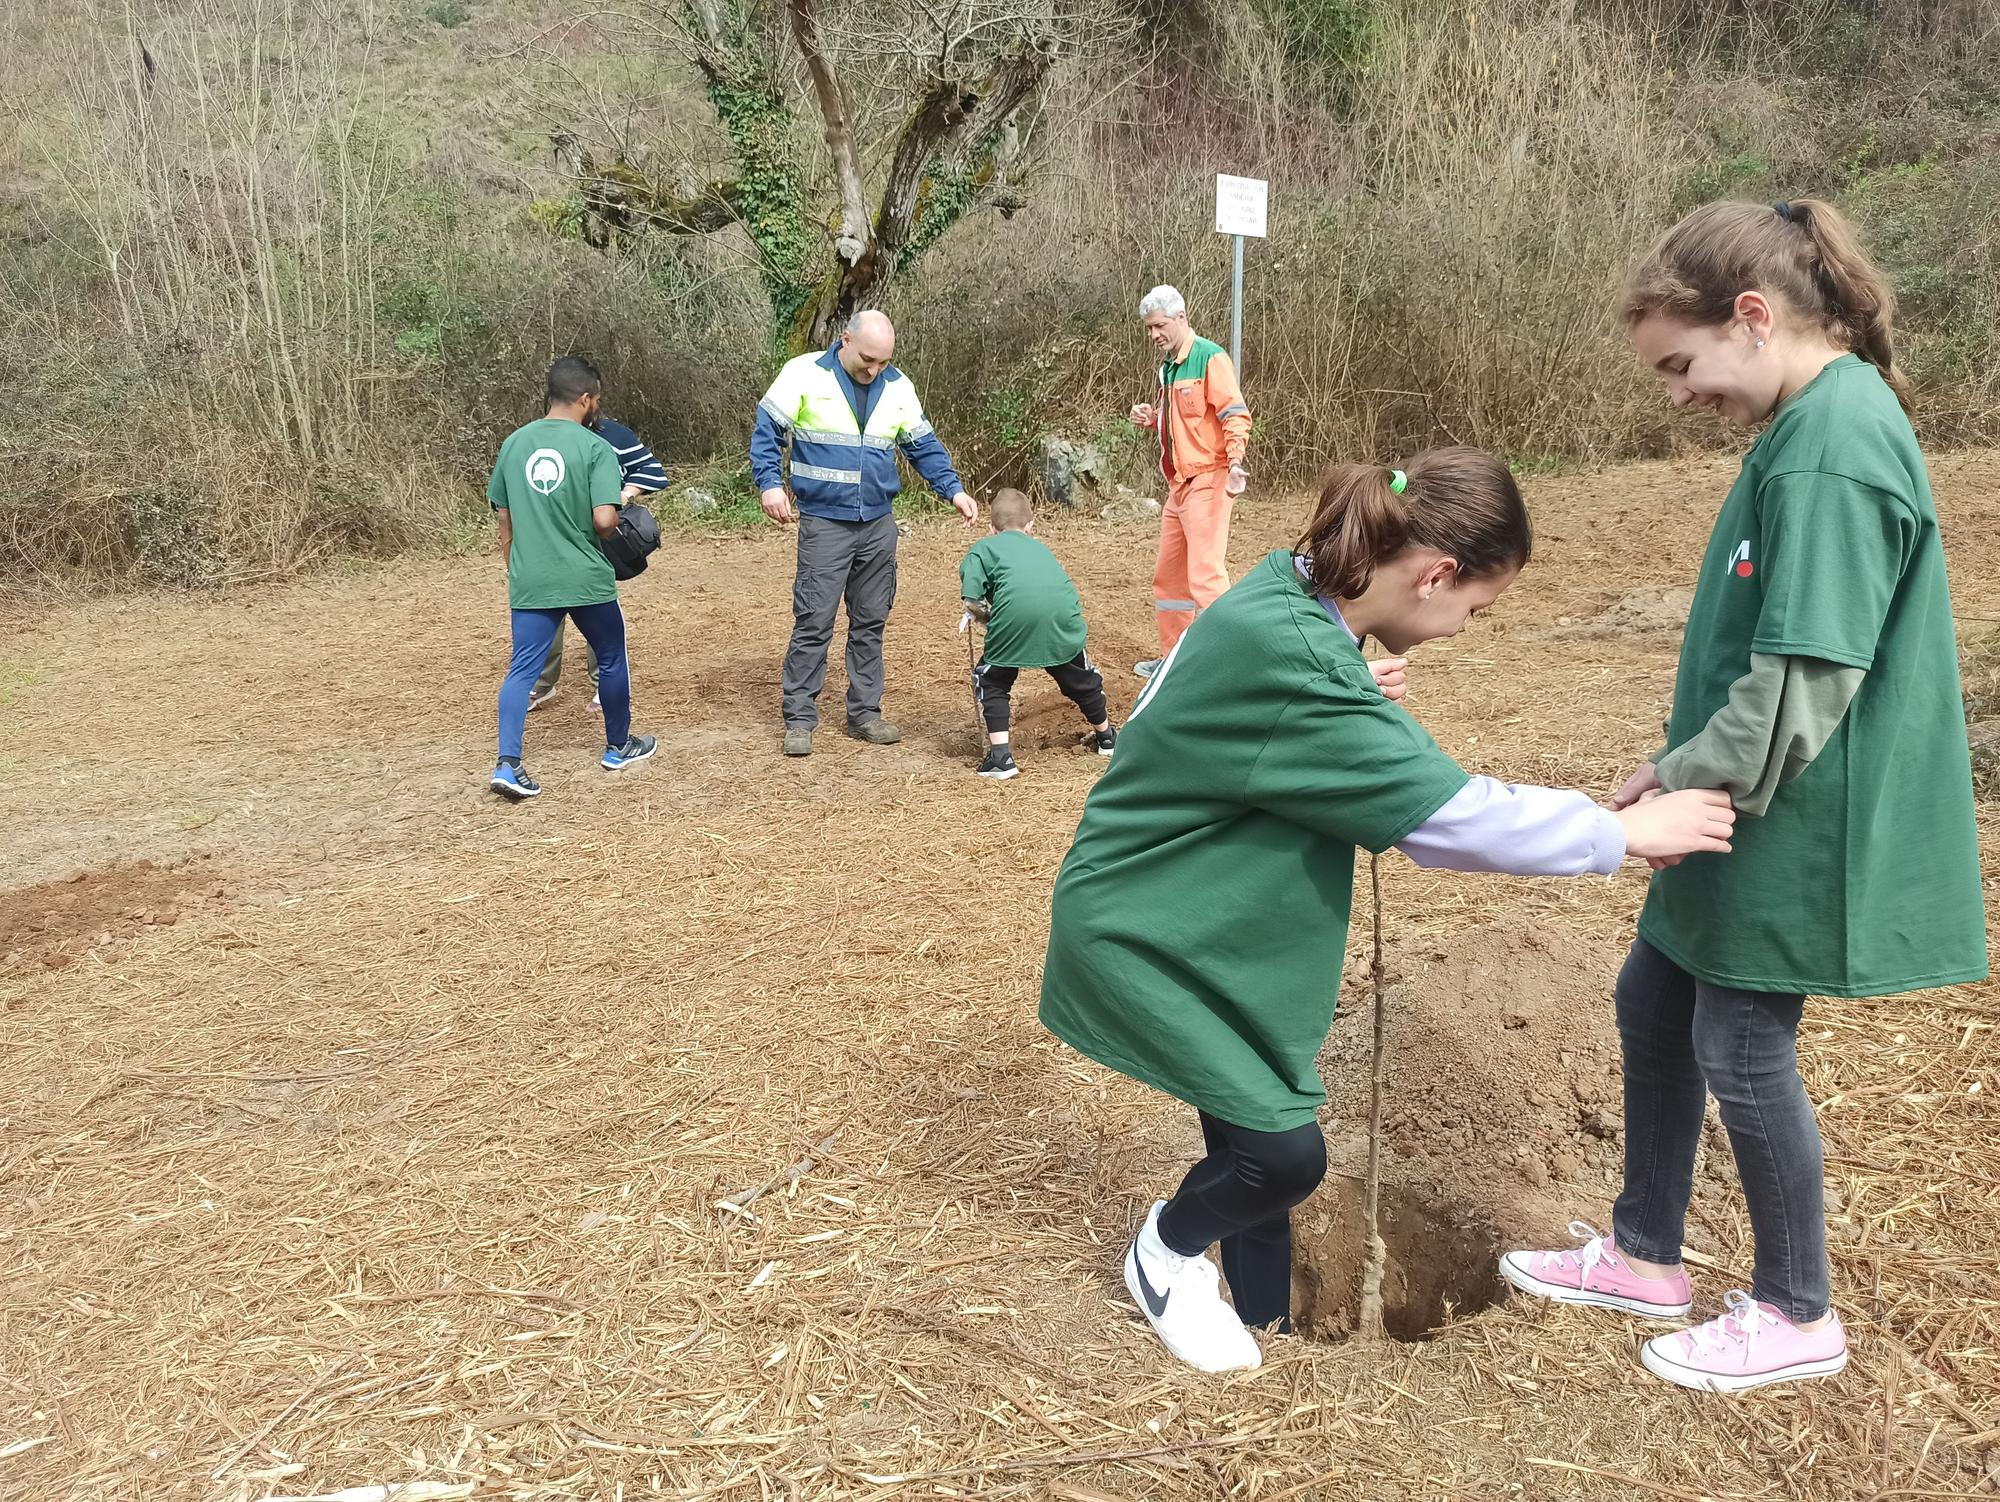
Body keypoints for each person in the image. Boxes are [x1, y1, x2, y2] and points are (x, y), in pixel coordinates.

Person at [1038, 448, 1738, 1374]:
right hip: (1149, 930)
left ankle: (1264, 1323)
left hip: (1190, 922)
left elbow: (1221, 704)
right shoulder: (1304, 662)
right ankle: (1164, 1256)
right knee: (1282, 1158)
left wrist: (1347, 684)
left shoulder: (1291, 602)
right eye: (1473, 610)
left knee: (1247, 1122)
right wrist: (1625, 833)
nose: (1463, 629)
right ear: (1435, 573)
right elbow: (1447, 822)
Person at [1499, 198, 1987, 1393]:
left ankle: (1792, 1307)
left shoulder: (1833, 439)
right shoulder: (1802, 426)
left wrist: (1681, 778)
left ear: (1753, 317)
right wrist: (1672, 766)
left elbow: (1806, 675)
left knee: (1739, 1038)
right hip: (1734, 796)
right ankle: (1644, 1250)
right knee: (1653, 997)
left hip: (1792, 810)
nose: (1673, 393)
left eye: (1679, 362)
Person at [752, 310, 978, 757]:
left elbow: (922, 446)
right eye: (869, 359)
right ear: (845, 340)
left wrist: (952, 489)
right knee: (814, 620)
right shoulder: (803, 373)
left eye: (884, 362)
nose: (875, 369)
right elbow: (766, 433)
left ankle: (865, 714)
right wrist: (770, 484)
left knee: (871, 622)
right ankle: (799, 718)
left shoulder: (898, 386)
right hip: (824, 522)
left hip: (877, 523)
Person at [486, 356, 657, 799]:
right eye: (595, 400)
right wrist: (619, 511)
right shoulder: (594, 448)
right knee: (611, 657)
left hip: (532, 578)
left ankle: (508, 763)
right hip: (585, 577)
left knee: (521, 671)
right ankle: (619, 746)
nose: (596, 407)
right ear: (585, 399)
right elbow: (603, 520)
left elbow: (505, 527)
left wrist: (517, 569)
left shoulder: (513, 445)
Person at [1127, 286, 1252, 680]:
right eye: (1149, 328)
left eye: (1159, 326)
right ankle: (1174, 661)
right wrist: (1153, 417)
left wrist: (1234, 463)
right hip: (1178, 486)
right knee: (1170, 578)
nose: (1154, 335)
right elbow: (1185, 420)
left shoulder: (1210, 357)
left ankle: (1233, 661)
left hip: (1209, 479)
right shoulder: (1169, 367)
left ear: (1181, 318)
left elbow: (1235, 414)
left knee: (1205, 576)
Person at [959, 488, 1117, 781]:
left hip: (1013, 616)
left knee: (993, 679)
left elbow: (972, 601)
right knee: (1080, 677)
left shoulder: (983, 548)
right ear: (1031, 525)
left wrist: (990, 621)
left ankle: (1000, 758)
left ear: (992, 528)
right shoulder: (1041, 549)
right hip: (1062, 615)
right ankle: (1107, 737)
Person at [528, 413, 670, 712]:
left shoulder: (610, 434)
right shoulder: (537, 440)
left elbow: (654, 471)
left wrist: (625, 494)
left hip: (595, 541)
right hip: (548, 541)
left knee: (597, 612)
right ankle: (541, 683)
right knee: (547, 610)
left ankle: (603, 685)